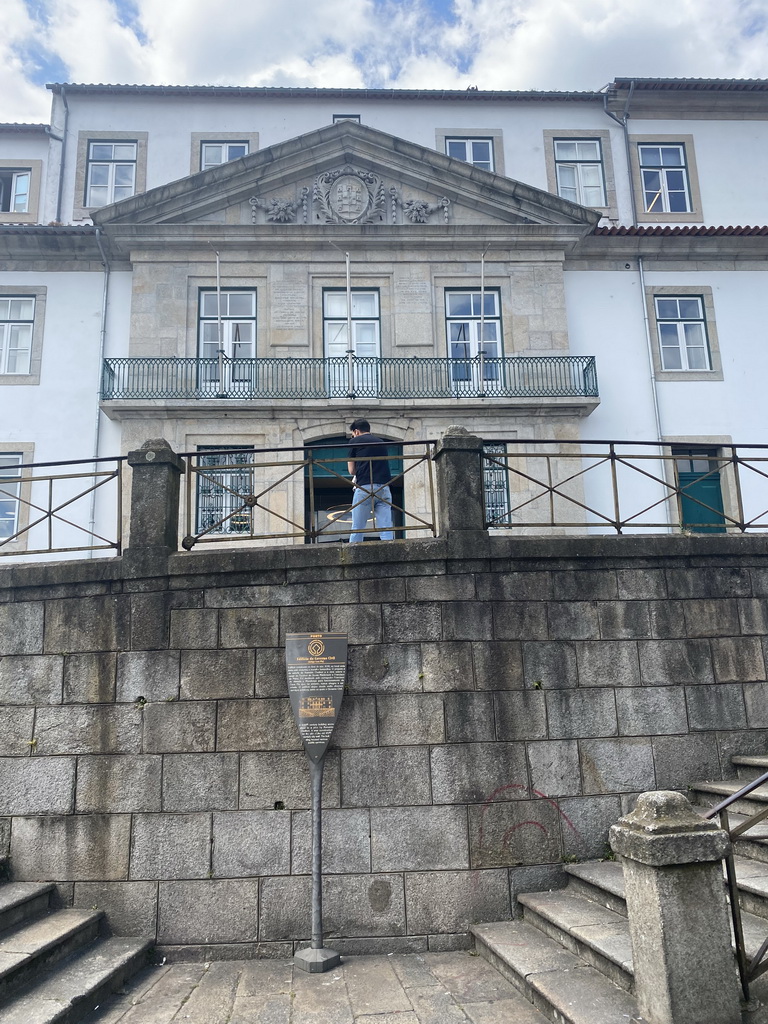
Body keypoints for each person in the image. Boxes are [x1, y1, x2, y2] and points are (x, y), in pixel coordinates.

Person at [347, 419, 394, 543]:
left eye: (353, 434)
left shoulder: (354, 441)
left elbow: (351, 471)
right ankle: (391, 553)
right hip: (384, 487)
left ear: (356, 432)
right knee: (386, 528)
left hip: (364, 487)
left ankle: (354, 556)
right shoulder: (381, 442)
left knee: (357, 527)